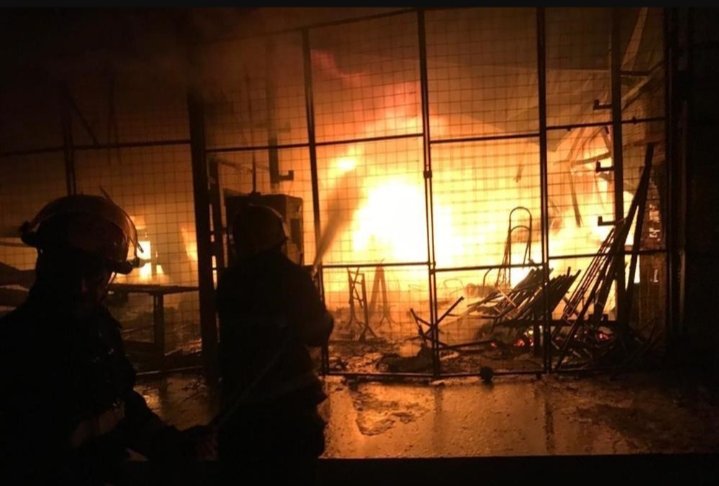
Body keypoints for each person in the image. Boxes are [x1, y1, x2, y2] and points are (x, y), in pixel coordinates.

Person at [0, 194, 213, 485]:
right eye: (68, 270)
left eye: (93, 273)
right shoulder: (18, 345)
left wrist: (166, 441)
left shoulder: (97, 327)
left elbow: (118, 403)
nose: (82, 286)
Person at [216, 202, 334, 485]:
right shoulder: (292, 277)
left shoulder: (229, 281)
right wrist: (325, 316)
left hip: (241, 408)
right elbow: (316, 333)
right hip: (289, 410)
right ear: (277, 240)